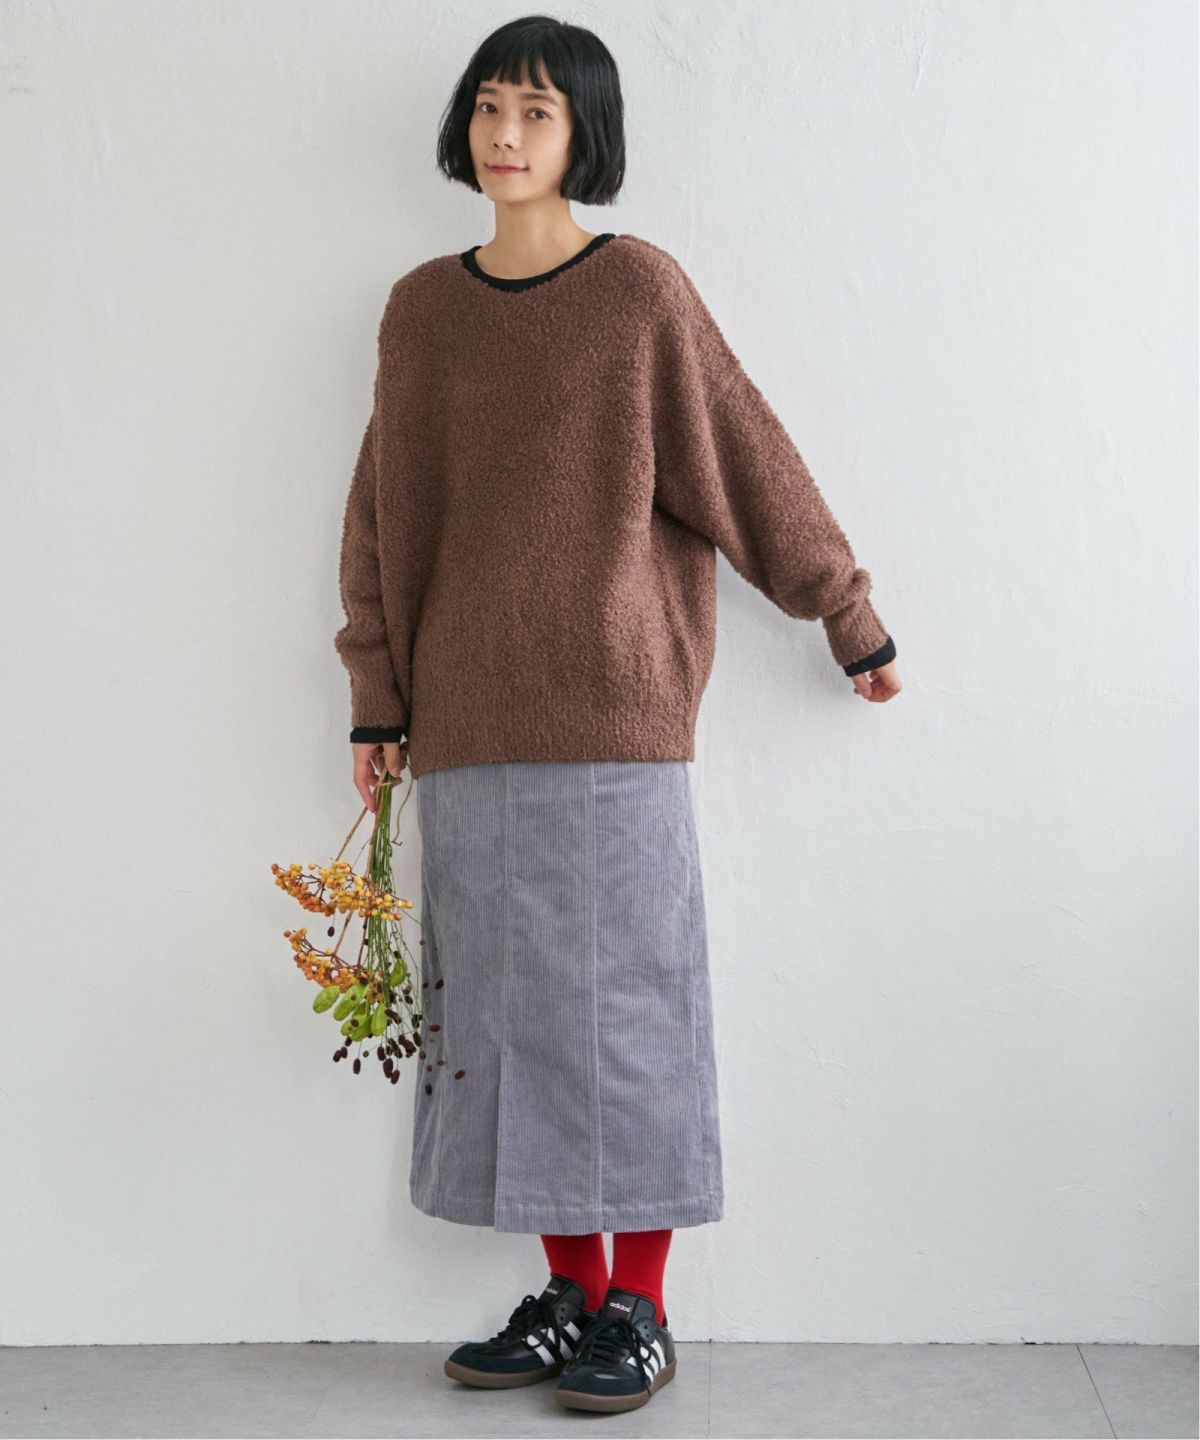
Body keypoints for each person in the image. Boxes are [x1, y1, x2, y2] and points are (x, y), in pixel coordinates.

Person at [334, 14, 901, 1417]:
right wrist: (376, 699)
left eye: (537, 111)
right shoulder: (421, 311)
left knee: (627, 1011)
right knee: (506, 1021)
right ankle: (572, 1297)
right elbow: (382, 520)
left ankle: (640, 1305)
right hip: (467, 719)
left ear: (585, 132)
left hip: (617, 713)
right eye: (490, 106)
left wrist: (845, 611)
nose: (506, 134)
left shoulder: (638, 292)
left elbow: (744, 458)